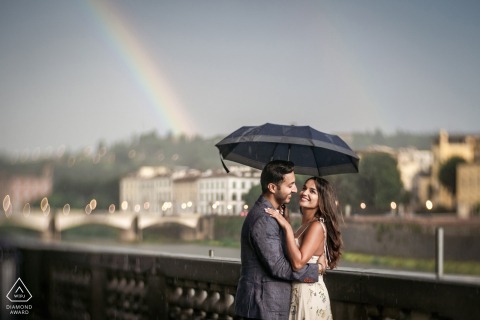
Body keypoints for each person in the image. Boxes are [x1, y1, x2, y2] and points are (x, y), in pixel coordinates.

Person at [235, 160, 323, 320]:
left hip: (264, 306)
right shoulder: (264, 219)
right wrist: (316, 270)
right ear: (273, 187)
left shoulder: (271, 214)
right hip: (262, 307)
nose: (296, 190)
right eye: (290, 186)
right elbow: (279, 267)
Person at [265, 177, 343, 320]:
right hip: (298, 292)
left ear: (321, 200)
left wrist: (287, 227)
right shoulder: (304, 226)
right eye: (304, 188)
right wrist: (286, 222)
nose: (304, 192)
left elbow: (298, 263)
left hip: (309, 295)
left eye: (312, 191)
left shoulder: (316, 226)